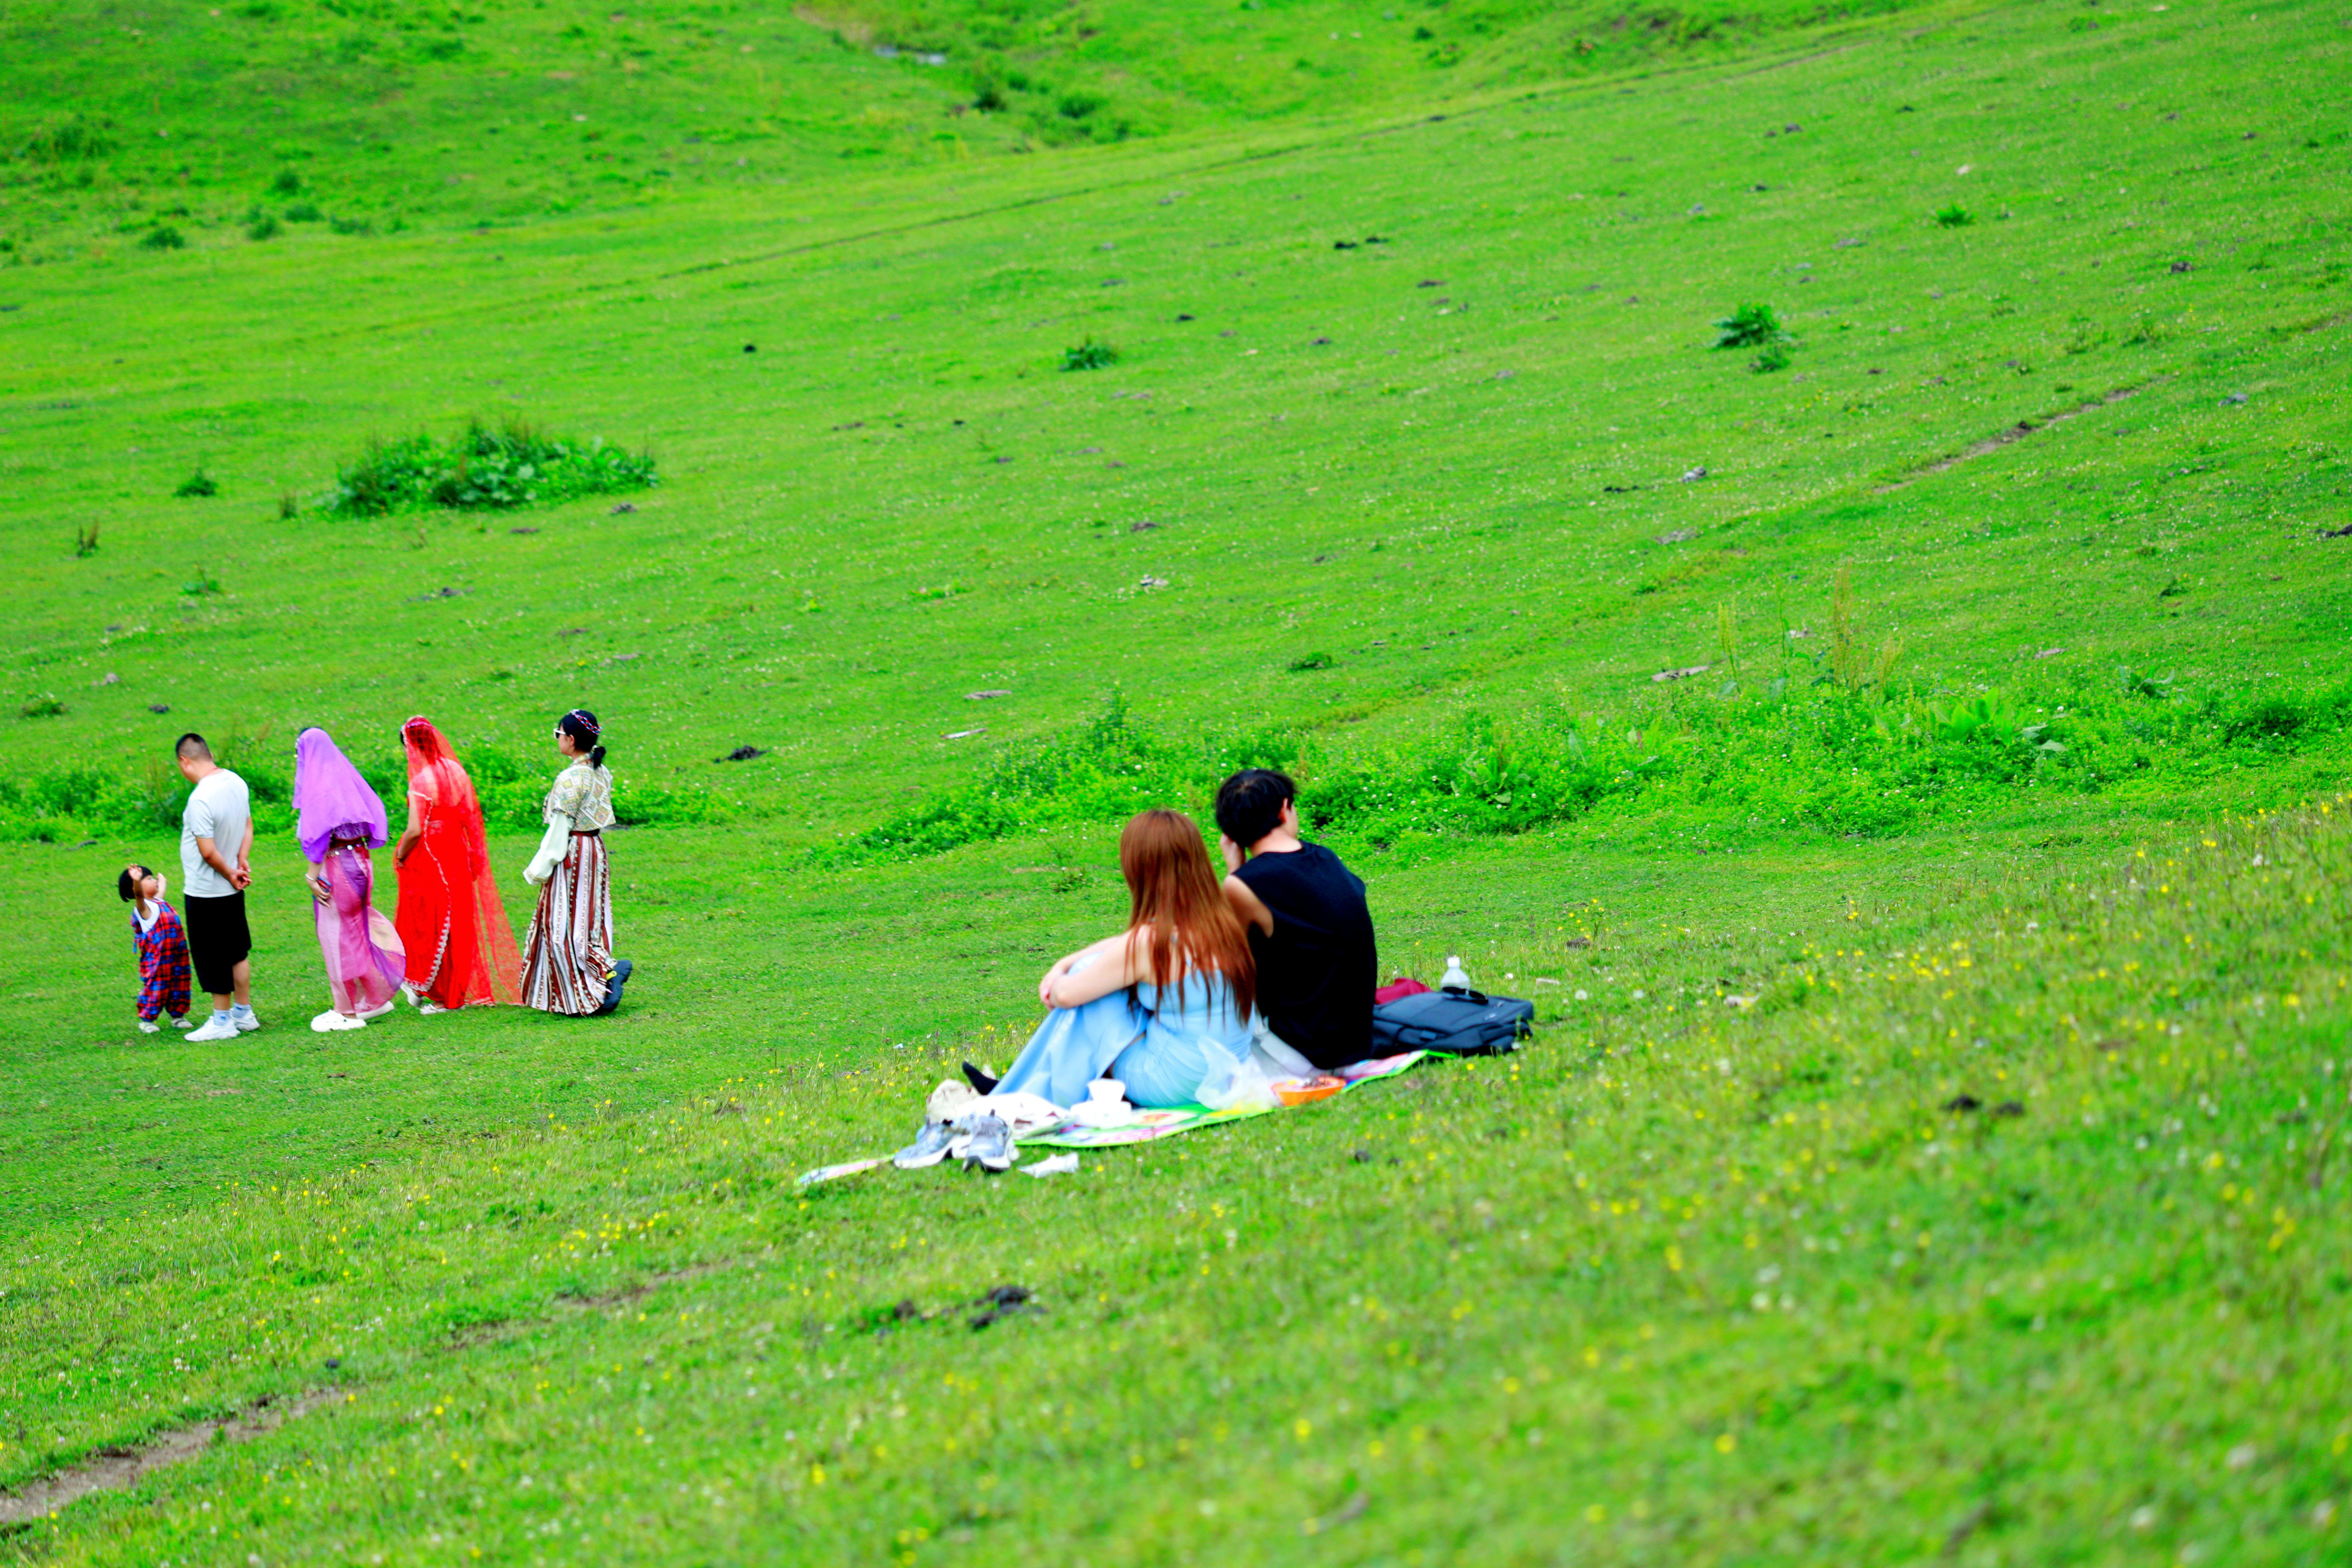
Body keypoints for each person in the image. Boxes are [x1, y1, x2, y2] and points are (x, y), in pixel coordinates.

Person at [972, 808, 1257, 1110]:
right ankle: (1023, 1084)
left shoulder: (1149, 943)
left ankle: (1029, 1093)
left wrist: (1058, 980)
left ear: (1139, 868)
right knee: (1090, 970)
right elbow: (1122, 946)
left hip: (1172, 1084)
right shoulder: (1223, 919)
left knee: (1087, 980)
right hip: (1226, 1074)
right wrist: (1064, 963)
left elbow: (1066, 995)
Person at [1215, 768, 1378, 1070]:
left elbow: (1224, 961)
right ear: (1284, 809)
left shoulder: (1244, 885)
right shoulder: (1325, 858)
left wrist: (1234, 870)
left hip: (1301, 1052)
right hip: (1357, 1041)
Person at [393, 716, 521, 1013]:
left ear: (412, 747)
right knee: (458, 918)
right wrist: (475, 853)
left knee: (434, 919)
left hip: (432, 856)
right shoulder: (456, 771)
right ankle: (450, 988)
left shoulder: (421, 782)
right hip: (457, 851)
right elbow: (471, 817)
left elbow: (415, 830)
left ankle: (442, 994)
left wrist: (400, 854)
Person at [520, 709, 634, 1016]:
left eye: (558, 735)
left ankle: (599, 981)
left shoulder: (570, 780)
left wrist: (538, 870)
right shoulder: (599, 770)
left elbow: (559, 832)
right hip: (594, 847)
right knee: (585, 920)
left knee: (561, 926)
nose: (557, 740)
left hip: (573, 852)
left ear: (571, 740)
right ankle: (589, 981)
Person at [294, 727, 408, 1033]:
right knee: (357, 930)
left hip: (336, 867)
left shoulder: (319, 785)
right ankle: (373, 998)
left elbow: (318, 835)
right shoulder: (346, 776)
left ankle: (347, 1011)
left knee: (336, 937)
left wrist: (311, 876)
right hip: (361, 862)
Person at [176, 732, 259, 1042]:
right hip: (233, 889)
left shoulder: (200, 798)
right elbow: (248, 825)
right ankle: (243, 1012)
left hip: (205, 892)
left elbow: (208, 852)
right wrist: (241, 859)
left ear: (185, 761)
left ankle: (222, 1021)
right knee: (238, 951)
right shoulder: (236, 782)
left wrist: (229, 873)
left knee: (213, 955)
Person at [118, 862, 192, 1035]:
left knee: (180, 984)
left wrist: (161, 881)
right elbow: (138, 894)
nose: (154, 881)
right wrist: (137, 881)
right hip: (157, 960)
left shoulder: (159, 902)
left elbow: (160, 893)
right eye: (149, 879)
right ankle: (147, 1020)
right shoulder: (142, 908)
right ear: (136, 887)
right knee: (157, 987)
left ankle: (178, 1016)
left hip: (178, 956)